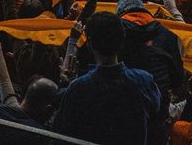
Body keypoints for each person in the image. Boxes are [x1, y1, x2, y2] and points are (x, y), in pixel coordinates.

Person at [51, 12, 162, 145]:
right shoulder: (143, 81)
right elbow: (155, 108)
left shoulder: (79, 88)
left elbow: (61, 130)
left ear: (90, 44)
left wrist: (66, 85)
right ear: (122, 39)